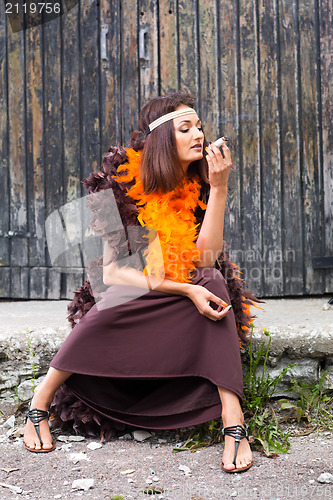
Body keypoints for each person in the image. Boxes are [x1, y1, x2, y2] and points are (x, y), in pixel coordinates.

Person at [23, 91, 256, 473]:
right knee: (112, 301)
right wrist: (185, 290)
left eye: (199, 127)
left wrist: (219, 189)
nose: (199, 134)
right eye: (186, 128)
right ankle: (40, 400)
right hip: (140, 294)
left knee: (213, 279)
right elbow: (113, 273)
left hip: (185, 291)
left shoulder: (199, 184)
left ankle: (234, 418)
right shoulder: (118, 185)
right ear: (163, 139)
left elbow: (205, 259)